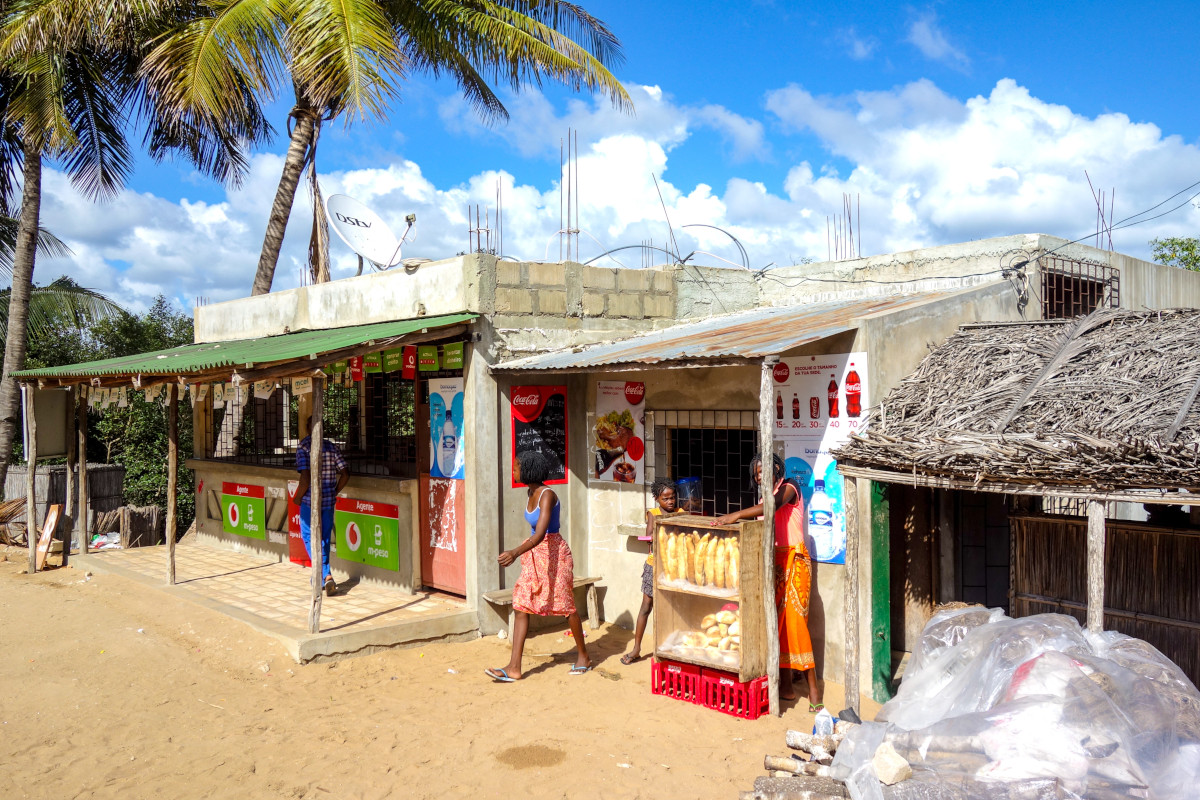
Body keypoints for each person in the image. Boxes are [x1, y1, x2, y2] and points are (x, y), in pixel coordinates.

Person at [717, 454, 822, 710]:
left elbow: (772, 507)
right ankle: (785, 687)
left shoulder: (789, 487)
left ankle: (814, 692)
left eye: (764, 470)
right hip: (773, 564)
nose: (760, 475)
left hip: (795, 562)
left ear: (777, 468)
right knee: (775, 624)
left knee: (795, 624)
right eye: (756, 473)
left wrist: (735, 515)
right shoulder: (764, 498)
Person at [486, 450, 591, 682]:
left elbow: (542, 533)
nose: (513, 471)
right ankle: (514, 667)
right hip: (535, 554)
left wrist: (514, 552)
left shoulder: (547, 495)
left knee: (565, 605)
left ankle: (583, 656)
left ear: (529, 469)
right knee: (521, 603)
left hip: (555, 554)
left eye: (516, 467)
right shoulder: (529, 491)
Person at [622, 477, 680, 665]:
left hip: (674, 567)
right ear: (657, 499)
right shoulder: (653, 513)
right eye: (666, 498)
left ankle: (672, 649)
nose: (670, 502)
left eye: (672, 497)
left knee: (673, 609)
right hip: (654, 565)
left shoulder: (681, 512)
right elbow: (648, 535)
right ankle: (637, 648)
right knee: (646, 606)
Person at [292, 418, 350, 597]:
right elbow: (346, 473)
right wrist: (334, 492)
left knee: (309, 537)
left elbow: (305, 478)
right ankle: (324, 576)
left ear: (308, 428)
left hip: (310, 501)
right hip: (328, 502)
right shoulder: (331, 447)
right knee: (324, 539)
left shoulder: (304, 446)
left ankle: (324, 574)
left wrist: (298, 497)